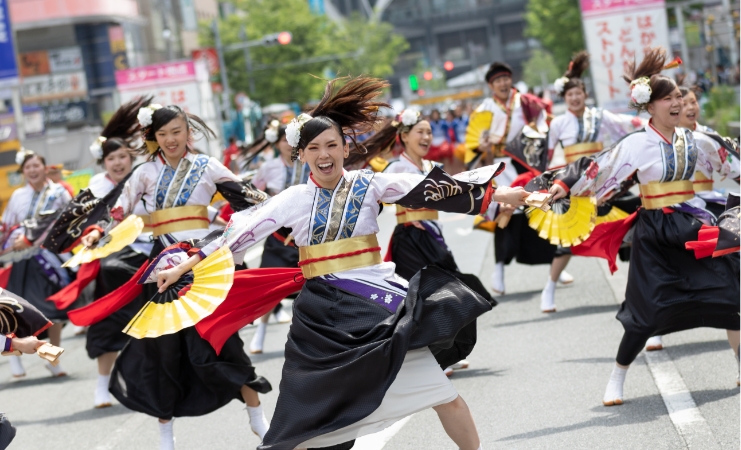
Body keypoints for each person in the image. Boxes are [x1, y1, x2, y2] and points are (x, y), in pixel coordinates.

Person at [156, 76, 530, 450]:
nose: (324, 154)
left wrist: (499, 197)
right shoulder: (293, 199)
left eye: (332, 144)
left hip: (381, 311)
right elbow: (237, 235)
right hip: (324, 323)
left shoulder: (369, 184)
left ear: (345, 148)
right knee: (308, 427)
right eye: (314, 147)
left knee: (444, 396)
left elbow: (433, 188)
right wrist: (182, 267)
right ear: (301, 155)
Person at [534, 47, 739, 406]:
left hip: (692, 225)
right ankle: (618, 375)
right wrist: (559, 187)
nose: (678, 102)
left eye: (679, 96)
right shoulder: (635, 144)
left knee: (730, 291)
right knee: (646, 311)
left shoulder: (696, 140)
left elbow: (731, 163)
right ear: (650, 105)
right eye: (669, 98)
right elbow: (595, 168)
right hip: (655, 233)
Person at [69, 104, 272, 450]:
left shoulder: (208, 166)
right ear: (154, 137)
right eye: (162, 134)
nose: (170, 140)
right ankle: (166, 436)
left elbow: (249, 201)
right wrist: (94, 232)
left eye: (176, 132)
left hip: (202, 268)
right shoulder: (145, 173)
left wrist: (232, 233)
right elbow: (117, 211)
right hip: (163, 272)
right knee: (162, 353)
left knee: (221, 341)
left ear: (187, 131)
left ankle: (258, 419)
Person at [369, 109, 496, 376]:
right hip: (410, 239)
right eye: (420, 132)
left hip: (432, 236)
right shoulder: (396, 168)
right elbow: (376, 200)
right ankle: (432, 356)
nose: (427, 137)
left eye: (429, 132)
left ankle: (446, 351)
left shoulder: (430, 168)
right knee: (425, 297)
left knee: (452, 290)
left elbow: (458, 193)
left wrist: (494, 204)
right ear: (403, 136)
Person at [48, 97, 154, 408]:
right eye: (112, 159)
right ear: (103, 163)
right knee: (107, 322)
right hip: (111, 261)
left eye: (123, 156)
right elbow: (74, 224)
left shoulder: (144, 178)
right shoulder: (95, 187)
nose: (118, 163)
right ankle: (102, 385)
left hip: (147, 254)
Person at [542, 51, 644, 312]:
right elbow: (546, 155)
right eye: (569, 95)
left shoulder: (601, 117)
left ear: (585, 94)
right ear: (564, 98)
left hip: (602, 182)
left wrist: (653, 122)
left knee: (627, 231)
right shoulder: (557, 124)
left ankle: (638, 291)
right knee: (566, 242)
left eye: (578, 93)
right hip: (572, 186)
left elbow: (629, 125)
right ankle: (549, 289)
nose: (575, 98)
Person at [470, 61, 552, 295]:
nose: (503, 83)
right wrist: (481, 146)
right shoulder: (483, 109)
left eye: (505, 78)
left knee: (538, 210)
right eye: (497, 81)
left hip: (525, 163)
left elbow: (543, 125)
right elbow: (472, 144)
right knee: (505, 215)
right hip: (499, 168)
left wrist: (536, 137)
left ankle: (554, 266)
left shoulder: (526, 102)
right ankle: (498, 270)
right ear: (490, 85)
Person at [1, 150, 72, 378]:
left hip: (50, 258)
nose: (32, 170)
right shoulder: (18, 196)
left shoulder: (58, 192)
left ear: (44, 167)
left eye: (36, 165)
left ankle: (53, 359)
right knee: (16, 310)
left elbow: (69, 219)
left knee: (54, 310)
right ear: (23, 171)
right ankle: (14, 360)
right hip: (22, 259)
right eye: (28, 167)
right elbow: (6, 225)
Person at [247, 119, 308, 353]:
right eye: (283, 139)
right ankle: (260, 333)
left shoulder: (308, 161)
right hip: (277, 237)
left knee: (311, 286)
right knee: (268, 289)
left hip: (305, 235)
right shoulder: (269, 166)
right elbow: (252, 191)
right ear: (277, 142)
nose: (287, 144)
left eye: (290, 139)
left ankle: (307, 334)